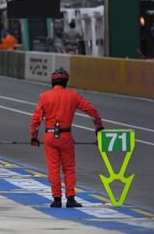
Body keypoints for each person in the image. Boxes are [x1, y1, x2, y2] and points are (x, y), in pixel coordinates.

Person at [29, 67, 103, 208]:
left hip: (50, 136)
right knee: (69, 168)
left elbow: (36, 119)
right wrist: (98, 126)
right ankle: (70, 198)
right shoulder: (73, 95)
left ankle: (56, 199)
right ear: (66, 82)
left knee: (53, 168)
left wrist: (34, 136)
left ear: (52, 82)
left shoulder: (44, 96)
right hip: (66, 135)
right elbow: (92, 111)